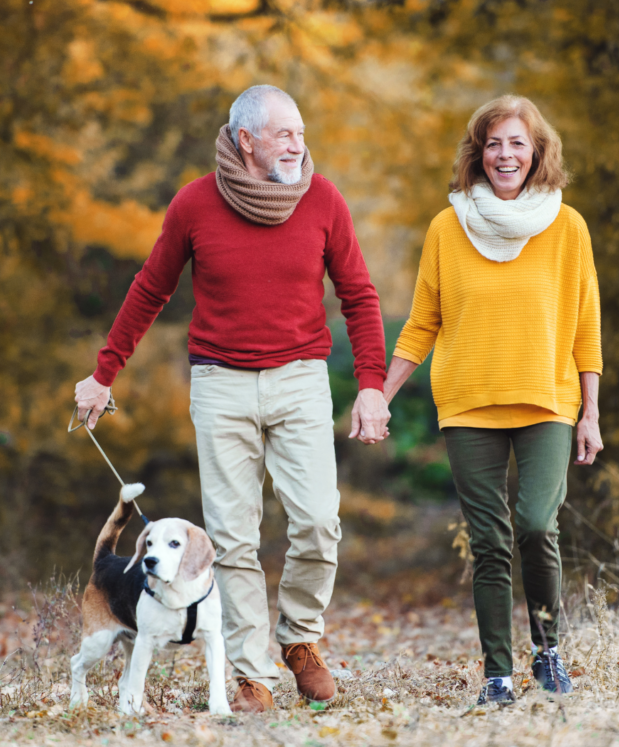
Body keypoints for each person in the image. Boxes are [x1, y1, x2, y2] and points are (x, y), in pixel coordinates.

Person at [73, 85, 390, 712]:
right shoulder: (195, 203)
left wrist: (372, 385)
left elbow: (359, 294)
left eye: (301, 132)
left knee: (319, 522)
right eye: (284, 135)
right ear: (245, 140)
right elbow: (150, 288)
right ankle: (251, 675)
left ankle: (301, 642)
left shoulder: (322, 199)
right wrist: (104, 371)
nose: (299, 145)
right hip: (220, 384)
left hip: (301, 378)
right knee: (233, 537)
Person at [384, 94, 603, 705]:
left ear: (537, 152)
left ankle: (548, 649)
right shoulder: (446, 227)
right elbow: (422, 322)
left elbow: (586, 326)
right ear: (477, 153)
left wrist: (590, 413)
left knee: (536, 524)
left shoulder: (568, 226)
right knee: (489, 542)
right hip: (468, 405)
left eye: (517, 143)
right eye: (494, 143)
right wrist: (379, 394)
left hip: (547, 402)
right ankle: (498, 675)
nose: (505, 154)